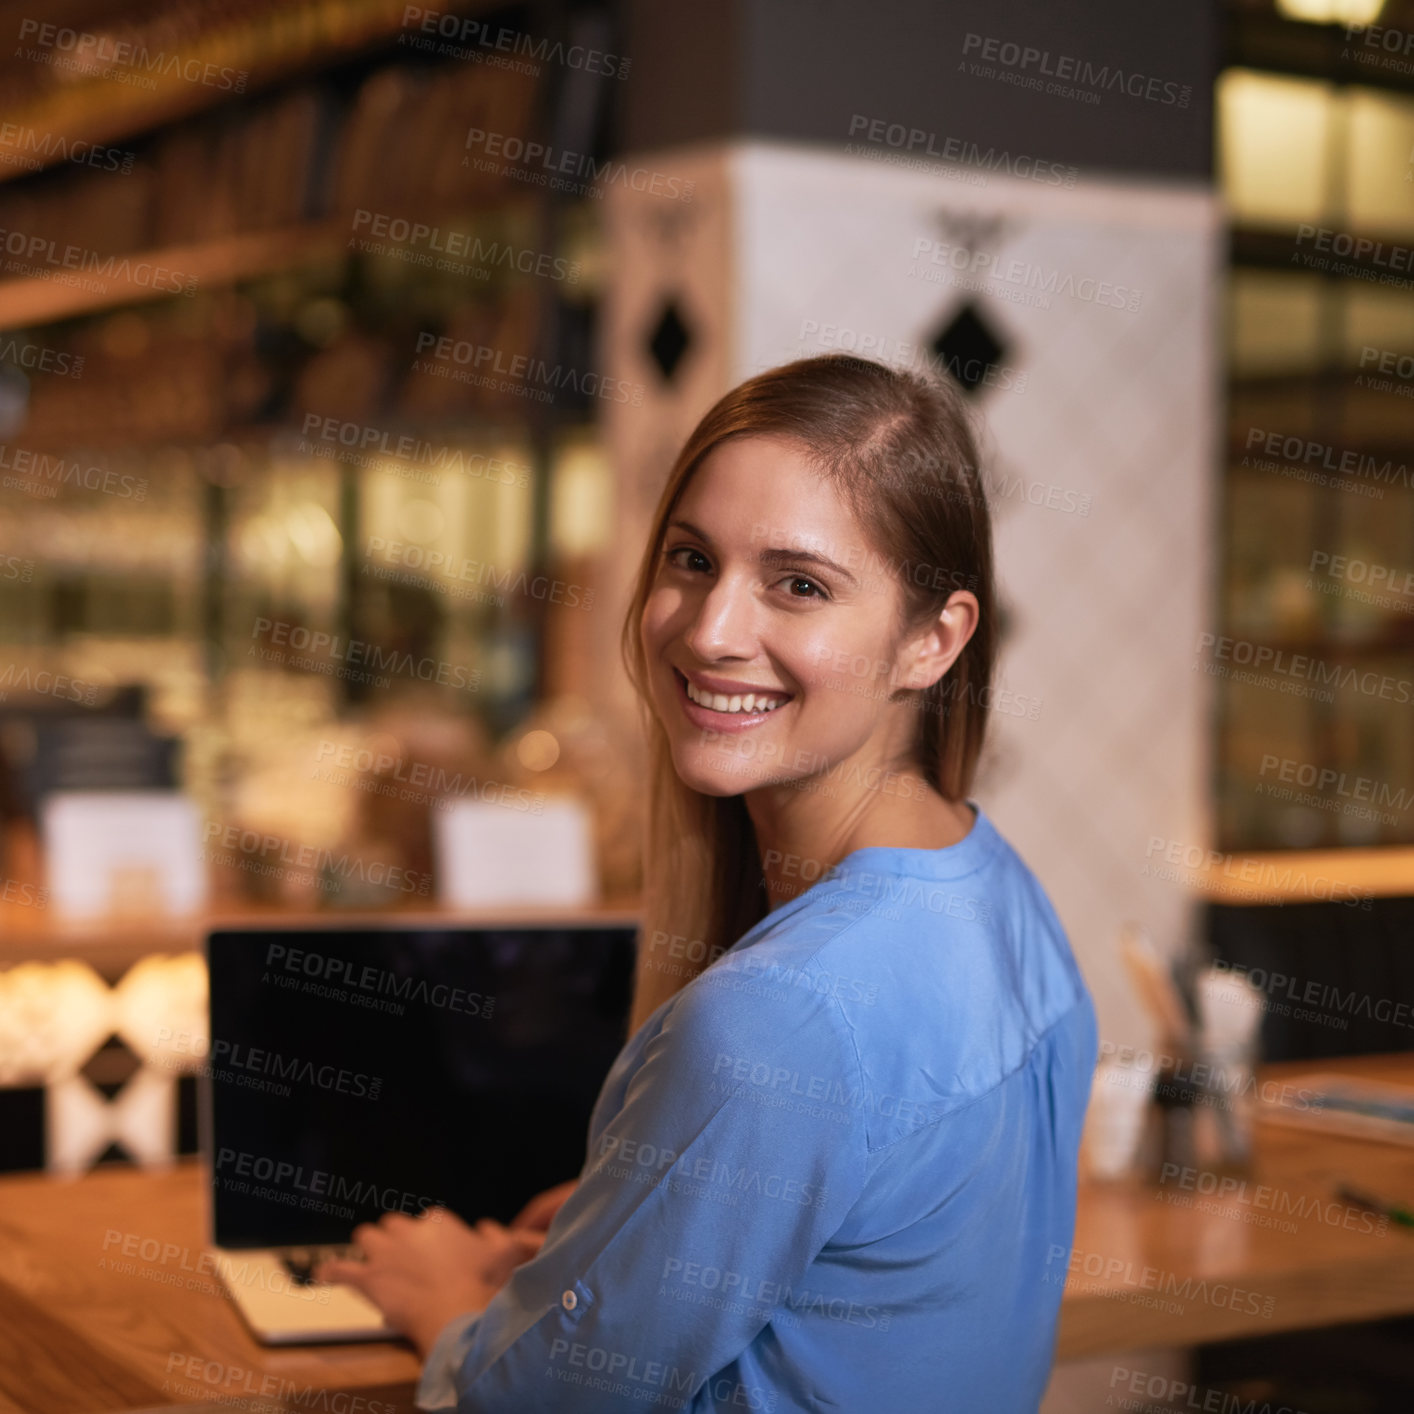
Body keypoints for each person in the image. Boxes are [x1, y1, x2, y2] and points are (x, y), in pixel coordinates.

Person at [319, 354, 1098, 1411]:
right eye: (691, 559)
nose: (708, 629)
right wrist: (641, 1215)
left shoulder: (777, 1014)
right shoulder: (1001, 891)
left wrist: (449, 1304)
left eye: (799, 584)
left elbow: (552, 1403)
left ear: (932, 640)